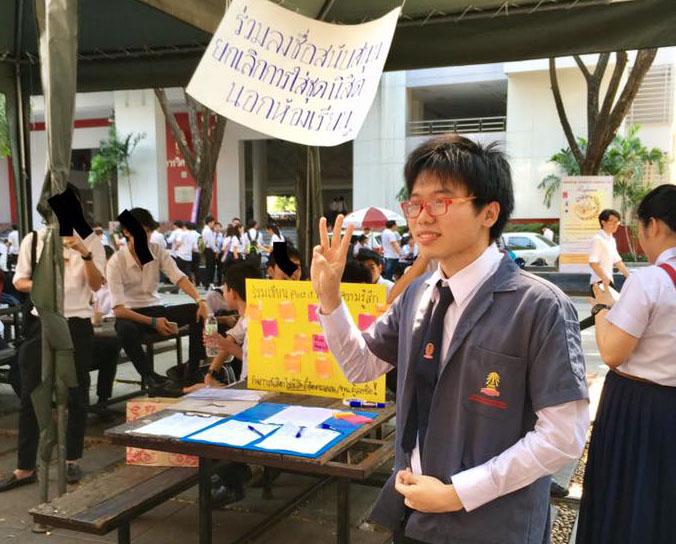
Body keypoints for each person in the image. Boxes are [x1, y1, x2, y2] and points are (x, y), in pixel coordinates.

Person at [312, 135, 588, 544]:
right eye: (414, 202)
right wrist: (330, 300)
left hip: (492, 527)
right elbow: (361, 366)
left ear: (488, 212)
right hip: (413, 513)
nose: (422, 216)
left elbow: (563, 437)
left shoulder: (538, 307)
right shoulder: (419, 295)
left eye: (440, 201)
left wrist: (459, 493)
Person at [576, 184, 676, 544]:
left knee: (625, 496)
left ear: (653, 225)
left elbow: (612, 352)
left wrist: (602, 307)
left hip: (637, 407)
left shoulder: (650, 282)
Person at [0, 205, 106, 492]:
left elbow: (96, 285)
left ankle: (71, 458)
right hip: (42, 320)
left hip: (77, 322)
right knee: (31, 392)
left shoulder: (92, 241)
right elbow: (19, 280)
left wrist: (84, 253)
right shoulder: (34, 239)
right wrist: (46, 284)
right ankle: (25, 467)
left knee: (76, 391)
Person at [106, 208, 209, 387]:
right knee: (124, 330)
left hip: (156, 308)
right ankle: (148, 375)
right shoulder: (117, 261)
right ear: (127, 232)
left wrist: (200, 300)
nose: (145, 236)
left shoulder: (156, 251)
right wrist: (153, 322)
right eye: (140, 231)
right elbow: (119, 310)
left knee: (196, 311)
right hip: (132, 315)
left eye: (147, 231)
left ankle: (193, 369)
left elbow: (178, 277)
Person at [204, 262, 263, 506]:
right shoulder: (249, 316)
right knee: (203, 394)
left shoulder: (255, 318)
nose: (224, 292)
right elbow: (229, 341)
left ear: (233, 292)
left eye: (225, 288)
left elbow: (255, 360)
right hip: (248, 386)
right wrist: (211, 372)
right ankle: (232, 472)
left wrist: (226, 347)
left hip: (255, 389)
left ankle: (234, 478)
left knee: (205, 404)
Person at [588, 209, 630, 295]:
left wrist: (630, 277)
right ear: (603, 222)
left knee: (613, 307)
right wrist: (604, 278)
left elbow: (618, 261)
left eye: (617, 222)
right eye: (612, 221)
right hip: (599, 282)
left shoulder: (611, 240)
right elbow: (593, 263)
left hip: (608, 281)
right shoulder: (598, 239)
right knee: (608, 308)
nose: (615, 225)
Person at [202, 215, 217, 288]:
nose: (213, 224)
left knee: (208, 266)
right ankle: (209, 283)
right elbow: (211, 242)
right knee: (211, 267)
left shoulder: (204, 230)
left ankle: (207, 283)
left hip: (206, 249)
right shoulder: (208, 231)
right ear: (210, 223)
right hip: (209, 250)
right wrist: (215, 250)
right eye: (213, 223)